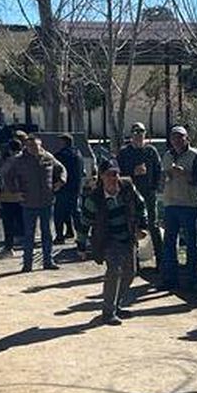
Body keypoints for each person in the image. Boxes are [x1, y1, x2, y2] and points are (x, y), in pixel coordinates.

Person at [82, 160, 149, 324]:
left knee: (130, 273)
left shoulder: (127, 187)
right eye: (109, 175)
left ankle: (115, 306)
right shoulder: (94, 198)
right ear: (102, 177)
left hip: (128, 235)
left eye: (116, 174)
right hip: (108, 239)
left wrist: (142, 226)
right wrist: (81, 245)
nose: (113, 178)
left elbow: (141, 206)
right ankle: (108, 312)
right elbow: (84, 223)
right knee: (114, 272)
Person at [10, 134, 66, 272]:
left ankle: (48, 261)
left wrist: (61, 181)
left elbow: (62, 169)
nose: (34, 149)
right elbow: (7, 175)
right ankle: (27, 264)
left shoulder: (48, 157)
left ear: (40, 146)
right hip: (28, 202)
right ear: (26, 147)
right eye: (30, 146)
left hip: (46, 201)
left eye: (36, 146)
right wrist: (14, 192)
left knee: (47, 233)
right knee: (29, 234)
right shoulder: (19, 160)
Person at [159, 126, 197, 291]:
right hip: (170, 204)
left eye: (180, 137)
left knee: (192, 244)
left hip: (188, 204)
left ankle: (192, 279)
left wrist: (185, 174)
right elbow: (162, 177)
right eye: (174, 137)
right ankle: (171, 279)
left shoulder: (195, 156)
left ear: (187, 138)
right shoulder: (167, 155)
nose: (177, 140)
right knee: (169, 243)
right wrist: (167, 175)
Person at [117, 123, 163, 262]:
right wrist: (132, 173)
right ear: (131, 135)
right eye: (136, 133)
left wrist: (154, 187)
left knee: (152, 225)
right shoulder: (124, 153)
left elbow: (158, 170)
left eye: (141, 132)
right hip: (130, 195)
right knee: (132, 226)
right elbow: (118, 174)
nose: (138, 136)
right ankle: (133, 261)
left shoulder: (151, 151)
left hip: (148, 194)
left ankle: (160, 261)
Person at [53, 134, 82, 245]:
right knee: (74, 212)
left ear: (63, 142)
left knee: (59, 213)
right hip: (76, 188)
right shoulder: (78, 154)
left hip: (63, 187)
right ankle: (77, 234)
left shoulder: (60, 156)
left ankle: (59, 236)